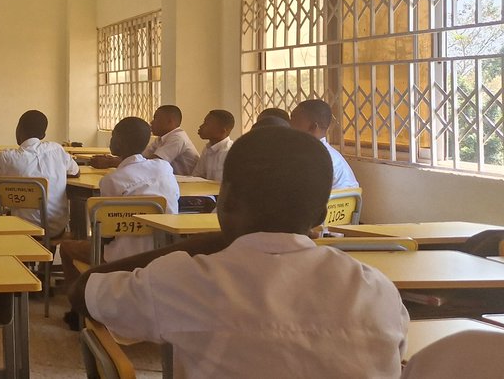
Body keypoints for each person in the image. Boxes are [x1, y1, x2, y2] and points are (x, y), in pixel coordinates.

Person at [70, 127, 407, 378]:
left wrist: (201, 243)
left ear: (225, 199)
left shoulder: (185, 279)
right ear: (321, 215)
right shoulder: (378, 291)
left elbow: (83, 292)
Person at [60, 116, 179, 326]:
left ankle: (78, 312)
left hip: (122, 257)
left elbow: (104, 235)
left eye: (114, 135)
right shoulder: (164, 169)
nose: (111, 140)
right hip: (161, 252)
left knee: (68, 248)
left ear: (121, 142)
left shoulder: (112, 181)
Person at [0, 110, 79, 237]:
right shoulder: (57, 150)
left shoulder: (7, 158)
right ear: (43, 134)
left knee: (12, 215)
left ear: (19, 129)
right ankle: (47, 252)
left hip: (21, 228)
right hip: (56, 229)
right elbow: (76, 172)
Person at [91, 105, 199, 175]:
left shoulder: (178, 138)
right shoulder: (161, 138)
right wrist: (112, 159)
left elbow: (153, 164)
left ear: (170, 121)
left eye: (156, 118)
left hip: (185, 185)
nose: (152, 122)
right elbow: (141, 157)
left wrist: (112, 162)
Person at [290, 99, 359, 189]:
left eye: (294, 121)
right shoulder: (329, 154)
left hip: (329, 202)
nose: (289, 125)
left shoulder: (315, 158)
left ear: (313, 127)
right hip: (347, 202)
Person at [191, 110, 235, 181]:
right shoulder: (207, 149)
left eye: (206, 124)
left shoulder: (230, 153)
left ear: (223, 130)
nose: (201, 126)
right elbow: (197, 176)